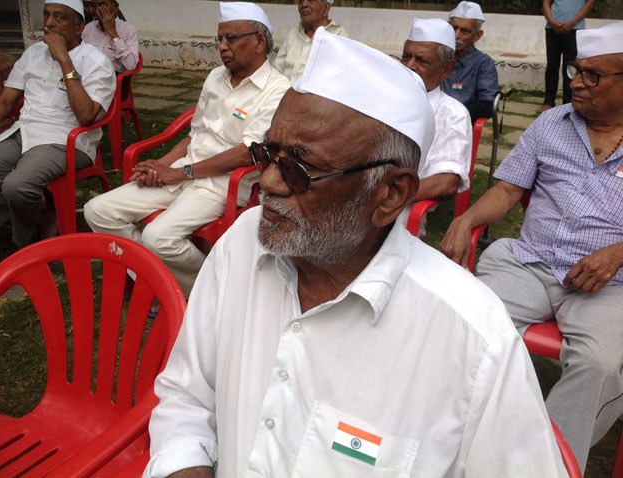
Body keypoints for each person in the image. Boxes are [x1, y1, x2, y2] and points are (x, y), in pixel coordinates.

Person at [144, 28, 568, 478]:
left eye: (300, 170)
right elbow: (187, 395)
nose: (267, 183)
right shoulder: (243, 242)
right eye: (268, 153)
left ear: (390, 194)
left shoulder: (473, 341)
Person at [440, 21, 623, 474]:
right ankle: (450, 441)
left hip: (610, 283)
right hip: (530, 262)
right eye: (576, 71)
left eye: (592, 75)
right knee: (465, 327)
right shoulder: (550, 123)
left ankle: (546, 461)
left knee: (601, 363)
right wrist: (465, 219)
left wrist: (618, 251)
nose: (576, 82)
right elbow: (507, 191)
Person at [84, 2, 289, 297]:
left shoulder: (276, 89)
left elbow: (246, 154)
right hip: (184, 171)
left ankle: (207, 294)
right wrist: (161, 165)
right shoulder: (215, 78)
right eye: (219, 39)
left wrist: (178, 173)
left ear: (259, 41)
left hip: (219, 186)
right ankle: (158, 280)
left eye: (231, 38)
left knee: (158, 237)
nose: (222, 46)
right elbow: (194, 136)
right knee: (97, 210)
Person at [0, 0, 115, 249]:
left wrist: (65, 60)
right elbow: (5, 101)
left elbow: (86, 116)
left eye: (59, 18)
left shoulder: (96, 62)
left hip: (66, 139)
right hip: (24, 131)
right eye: (46, 16)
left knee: (16, 186)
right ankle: (42, 217)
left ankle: (24, 246)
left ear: (79, 28)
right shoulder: (33, 53)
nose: (49, 24)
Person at [401, 18, 472, 235]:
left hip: (397, 212)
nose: (410, 66)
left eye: (421, 60)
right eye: (406, 56)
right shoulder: (383, 98)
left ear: (446, 70)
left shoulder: (451, 114)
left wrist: (386, 194)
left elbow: (446, 182)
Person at [440, 1, 499, 124]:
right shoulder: (437, 56)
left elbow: (488, 104)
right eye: (453, 28)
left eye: (464, 31)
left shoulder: (483, 63)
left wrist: (456, 116)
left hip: (461, 125)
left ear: (477, 35)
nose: (456, 35)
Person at [536, 0, 594, 113]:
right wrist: (551, 21)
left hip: (575, 29)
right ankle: (548, 102)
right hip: (552, 29)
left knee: (570, 69)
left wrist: (572, 23)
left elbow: (590, 3)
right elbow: (546, 3)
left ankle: (568, 104)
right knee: (552, 66)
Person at [273, 0, 346, 83]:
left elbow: (340, 79)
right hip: (283, 92)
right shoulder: (293, 33)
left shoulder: (338, 36)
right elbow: (277, 70)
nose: (304, 4)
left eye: (311, 0)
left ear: (326, 8)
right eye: (301, 1)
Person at [82, 0, 139, 73]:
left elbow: (131, 65)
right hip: (88, 74)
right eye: (95, 6)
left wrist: (113, 33)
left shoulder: (128, 30)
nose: (98, 10)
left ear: (115, 7)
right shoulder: (88, 28)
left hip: (112, 76)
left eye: (102, 5)